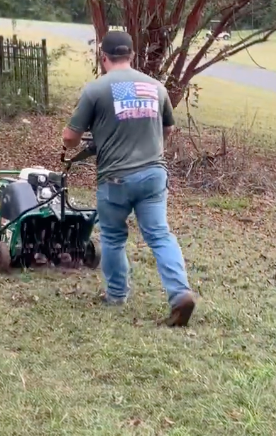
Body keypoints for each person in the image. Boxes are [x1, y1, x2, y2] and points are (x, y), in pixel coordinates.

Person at [62, 29, 197, 327]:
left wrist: (72, 143)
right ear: (133, 56)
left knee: (111, 236)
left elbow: (71, 137)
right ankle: (179, 293)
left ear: (104, 57)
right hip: (153, 175)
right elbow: (167, 130)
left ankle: (116, 294)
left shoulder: (95, 90)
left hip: (116, 180)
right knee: (160, 235)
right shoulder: (156, 88)